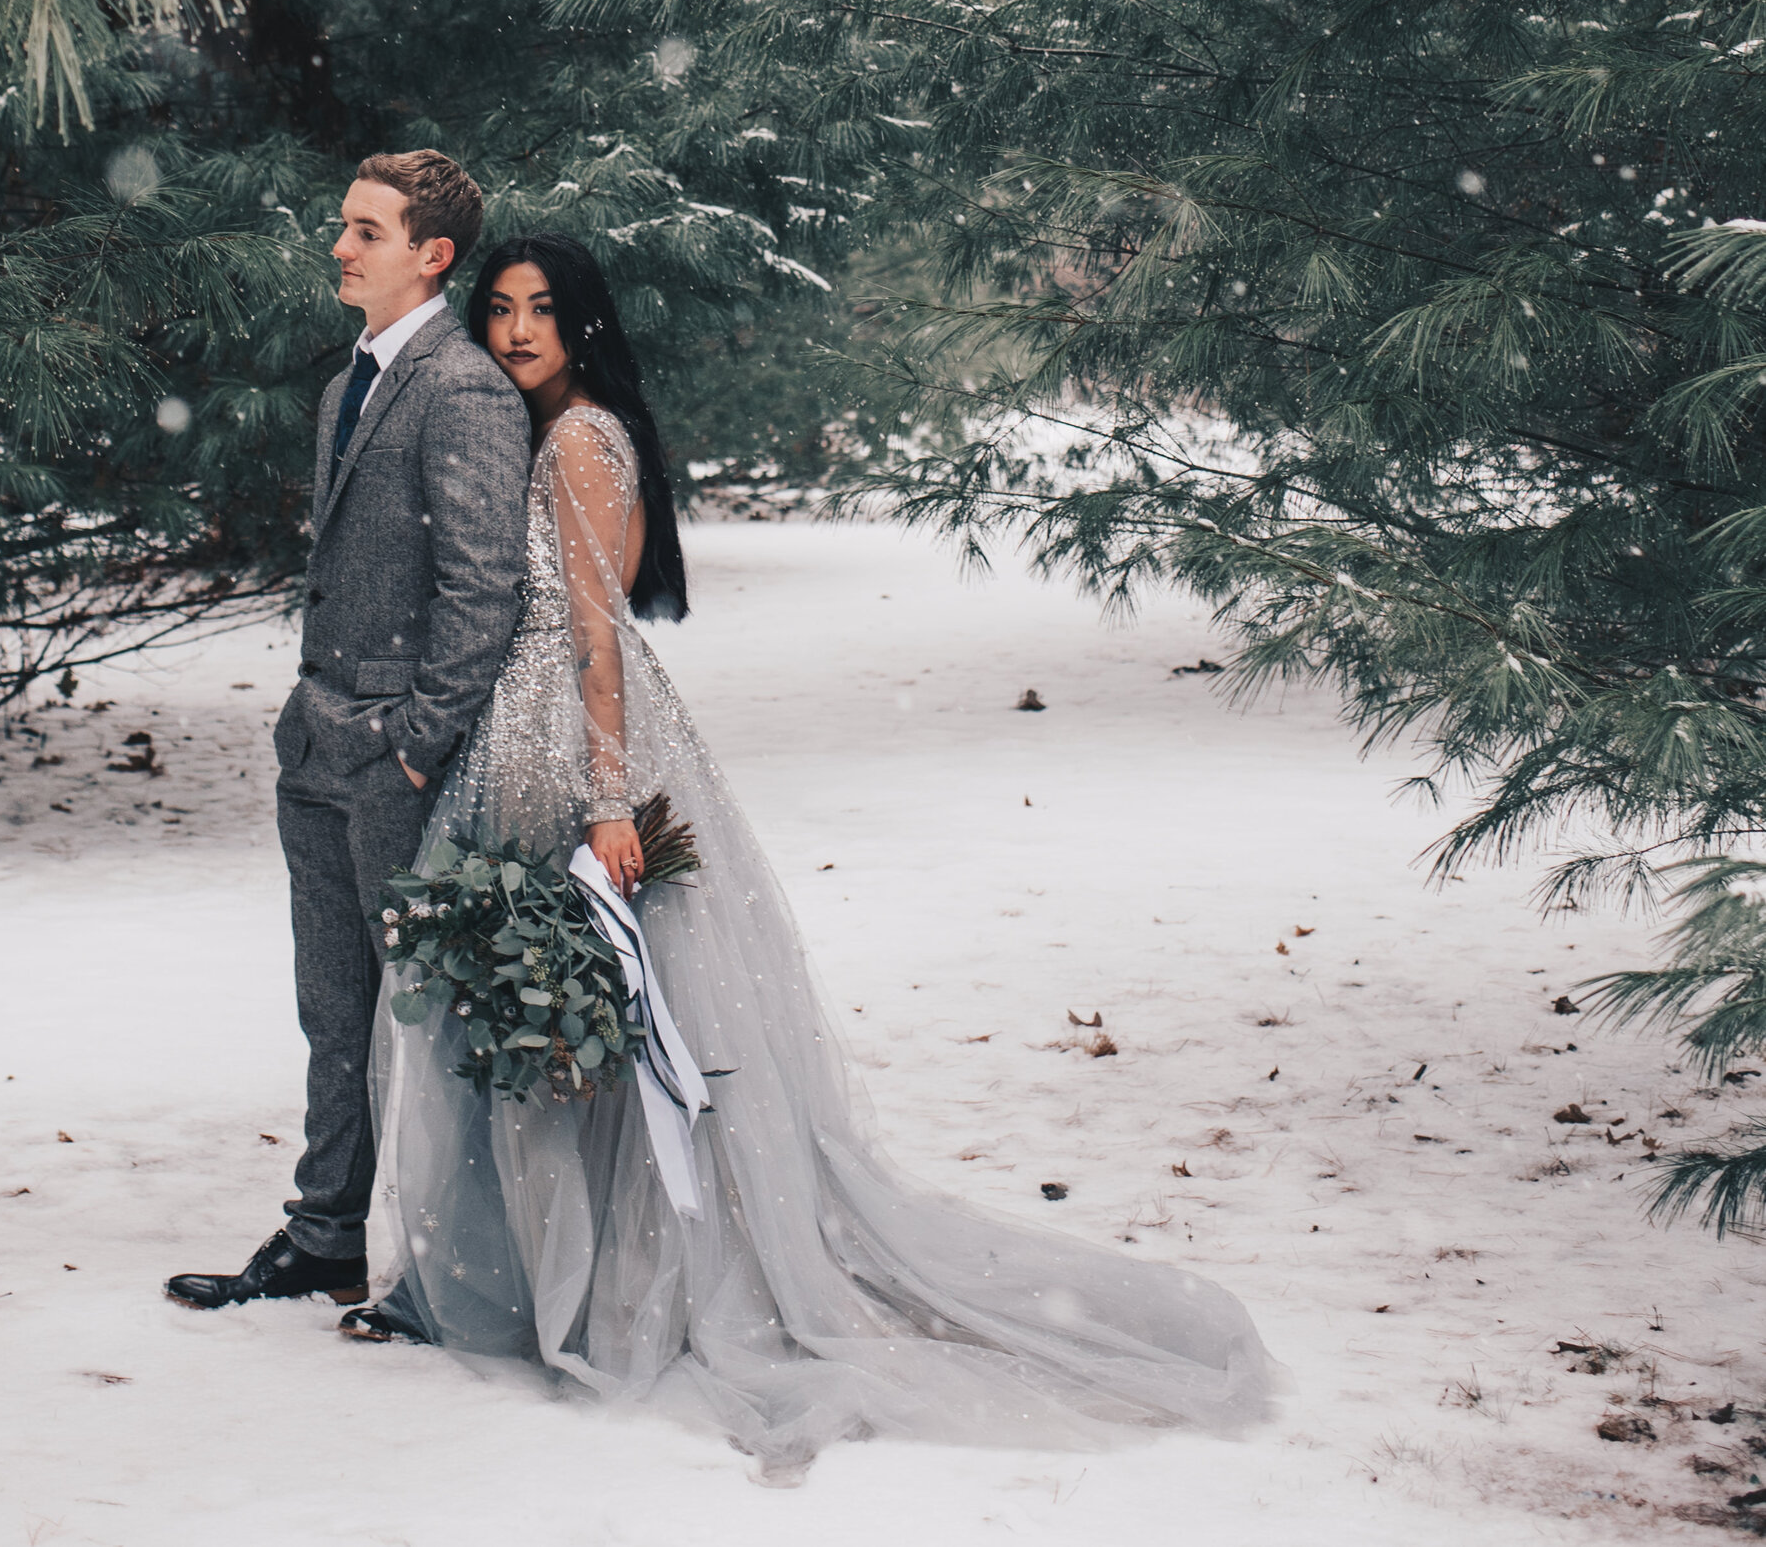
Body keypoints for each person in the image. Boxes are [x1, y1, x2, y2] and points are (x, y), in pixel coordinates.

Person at [339, 235, 1279, 1475]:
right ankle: (561, 1275)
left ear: (585, 326)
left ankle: (610, 1288)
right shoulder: (569, 428)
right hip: (530, 737)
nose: (517, 333)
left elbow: (592, 635)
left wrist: (607, 802)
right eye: (501, 310)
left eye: (544, 313)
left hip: (567, 741)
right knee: (571, 1022)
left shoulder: (575, 440)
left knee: (597, 1019)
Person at [166, 150, 532, 1314]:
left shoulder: (465, 390)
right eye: (343, 225)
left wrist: (416, 739)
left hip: (393, 761)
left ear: (430, 255)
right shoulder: (347, 386)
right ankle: (325, 1236)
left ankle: (452, 1271)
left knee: (417, 1016)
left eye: (364, 231)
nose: (339, 246)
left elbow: (485, 590)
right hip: (313, 746)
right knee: (333, 1011)